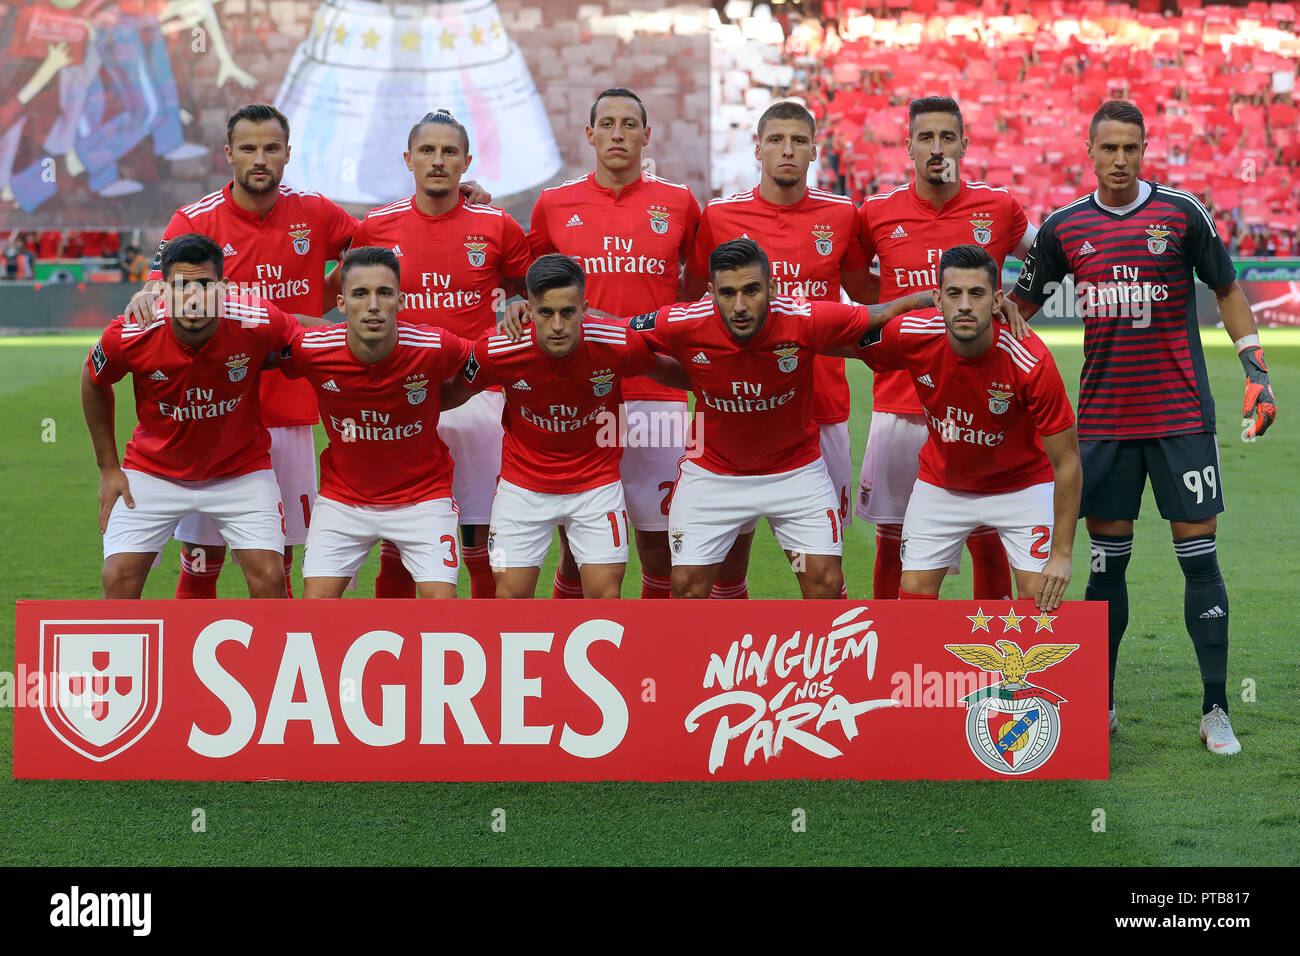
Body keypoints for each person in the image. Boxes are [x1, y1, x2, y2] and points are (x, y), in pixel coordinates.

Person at [1009, 100, 1279, 755]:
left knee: (1200, 558)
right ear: (1090, 151)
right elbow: (1020, 309)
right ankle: (1099, 704)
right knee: (1107, 567)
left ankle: (1216, 710)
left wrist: (1256, 369)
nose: (1121, 160)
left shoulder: (1182, 214)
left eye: (1132, 147)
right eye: (1110, 149)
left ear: (1146, 146)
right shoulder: (1065, 228)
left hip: (1181, 416)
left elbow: (1226, 287)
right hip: (1102, 425)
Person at [124, 103, 359, 599]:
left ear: (287, 154)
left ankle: (277, 665)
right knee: (201, 563)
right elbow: (155, 289)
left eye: (271, 148)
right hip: (212, 414)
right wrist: (148, 293)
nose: (260, 158)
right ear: (228, 153)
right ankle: (192, 668)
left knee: (279, 560)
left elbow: (374, 254)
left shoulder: (315, 211)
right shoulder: (195, 218)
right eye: (248, 148)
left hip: (287, 406)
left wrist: (328, 296)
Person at [627, 238, 929, 599]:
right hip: (713, 474)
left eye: (752, 290)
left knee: (826, 584)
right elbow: (616, 333)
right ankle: (712, 656)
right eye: (727, 293)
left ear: (772, 288)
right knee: (687, 586)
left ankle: (825, 656)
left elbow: (887, 312)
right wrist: (690, 376)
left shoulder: (804, 318)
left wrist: (957, 302)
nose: (739, 306)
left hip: (796, 473)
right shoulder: (682, 323)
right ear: (710, 293)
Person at [681, 99, 876, 599]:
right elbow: (690, 303)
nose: (786, 150)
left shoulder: (839, 214)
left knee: (821, 570)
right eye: (775, 140)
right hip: (736, 411)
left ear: (814, 150)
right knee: (724, 563)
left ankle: (825, 664)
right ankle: (729, 662)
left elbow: (866, 294)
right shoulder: (720, 216)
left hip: (822, 406)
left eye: (797, 140)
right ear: (757, 149)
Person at [857, 96, 1038, 601]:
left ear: (965, 142)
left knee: (986, 535)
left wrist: (1013, 307)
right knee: (893, 539)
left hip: (979, 401)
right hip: (900, 400)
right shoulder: (876, 213)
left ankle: (996, 662)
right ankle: (894, 657)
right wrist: (891, 315)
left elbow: (1048, 259)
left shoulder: (999, 207)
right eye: (926, 137)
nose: (937, 148)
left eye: (947, 137)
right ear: (908, 144)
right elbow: (852, 279)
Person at [527, 87, 701, 600]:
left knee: (660, 546)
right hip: (576, 396)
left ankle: (650, 661)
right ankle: (567, 662)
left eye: (630, 124)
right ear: (590, 134)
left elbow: (693, 291)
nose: (618, 133)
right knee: (579, 551)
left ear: (647, 135)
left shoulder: (679, 202)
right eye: (607, 124)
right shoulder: (555, 204)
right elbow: (532, 286)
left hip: (657, 396)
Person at [351, 109, 531, 600]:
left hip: (476, 395)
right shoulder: (377, 227)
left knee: (479, 531)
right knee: (399, 533)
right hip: (397, 398)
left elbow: (530, 291)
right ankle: (398, 650)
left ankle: (484, 648)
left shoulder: (497, 226)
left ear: (466, 161)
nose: (437, 161)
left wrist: (517, 316)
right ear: (408, 159)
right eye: (427, 151)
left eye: (449, 152)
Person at [445, 254, 682, 598]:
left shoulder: (616, 343)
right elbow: (451, 393)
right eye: (546, 313)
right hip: (522, 489)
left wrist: (726, 387)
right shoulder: (498, 348)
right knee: (510, 595)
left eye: (567, 312)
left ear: (584, 308)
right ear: (528, 309)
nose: (557, 325)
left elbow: (669, 372)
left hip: (596, 487)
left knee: (606, 597)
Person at [855, 245, 1079, 609]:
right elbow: (844, 336)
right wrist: (901, 305)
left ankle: (1012, 666)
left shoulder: (1031, 361)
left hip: (1020, 486)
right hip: (942, 484)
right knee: (912, 596)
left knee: (1040, 597)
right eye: (953, 293)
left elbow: (1067, 462)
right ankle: (920, 668)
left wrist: (1062, 555)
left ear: (997, 301)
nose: (964, 304)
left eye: (976, 293)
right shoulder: (914, 333)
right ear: (936, 300)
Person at [80, 233, 296, 599]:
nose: (193, 297)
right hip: (153, 471)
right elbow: (93, 379)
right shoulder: (132, 332)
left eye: (204, 285)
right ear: (163, 290)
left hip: (240, 471)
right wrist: (108, 468)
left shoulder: (257, 319)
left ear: (224, 287)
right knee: (118, 578)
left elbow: (303, 343)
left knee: (270, 578)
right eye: (181, 286)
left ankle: (270, 654)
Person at [279, 246, 472, 599]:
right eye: (360, 294)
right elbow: (275, 327)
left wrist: (442, 399)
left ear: (400, 301)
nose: (372, 305)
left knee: (444, 610)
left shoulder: (434, 346)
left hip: (423, 499)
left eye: (384, 293)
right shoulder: (313, 350)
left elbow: (483, 362)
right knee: (314, 611)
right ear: (341, 303)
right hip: (343, 501)